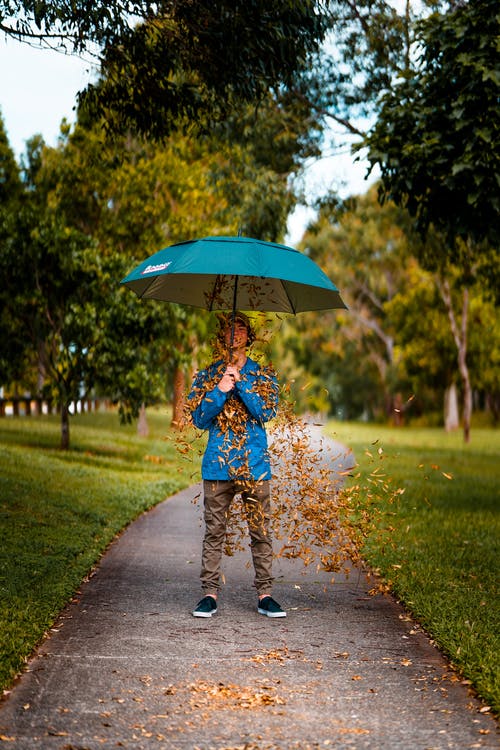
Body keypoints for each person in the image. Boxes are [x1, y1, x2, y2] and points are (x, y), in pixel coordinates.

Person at [188, 311, 286, 618]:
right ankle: (209, 594)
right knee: (214, 532)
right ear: (222, 335)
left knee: (261, 532)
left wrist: (241, 385)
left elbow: (267, 411)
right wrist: (220, 389)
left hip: (255, 466)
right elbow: (198, 418)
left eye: (241, 327)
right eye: (229, 327)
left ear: (249, 335)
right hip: (218, 468)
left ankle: (265, 595)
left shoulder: (263, 375)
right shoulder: (208, 375)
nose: (235, 332)